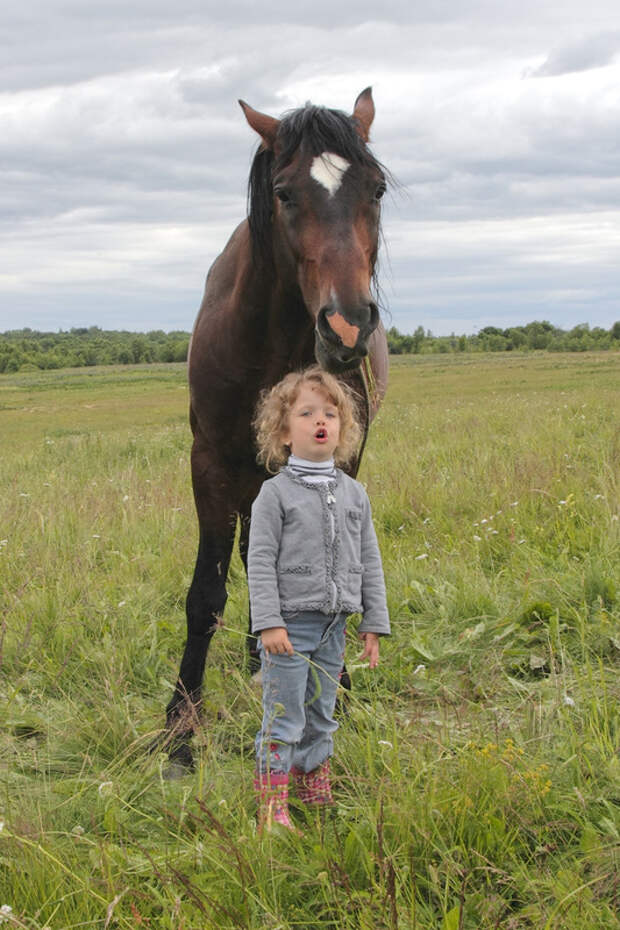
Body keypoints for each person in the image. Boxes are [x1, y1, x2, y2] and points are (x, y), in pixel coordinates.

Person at [248, 365, 390, 832]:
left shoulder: (354, 493)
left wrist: (373, 620)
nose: (320, 420)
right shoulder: (274, 495)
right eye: (306, 413)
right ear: (284, 432)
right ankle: (273, 805)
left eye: (330, 413)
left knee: (322, 715)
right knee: (284, 715)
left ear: (343, 429)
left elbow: (369, 557)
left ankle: (313, 783)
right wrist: (268, 622)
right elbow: (260, 561)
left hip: (335, 628)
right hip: (288, 628)